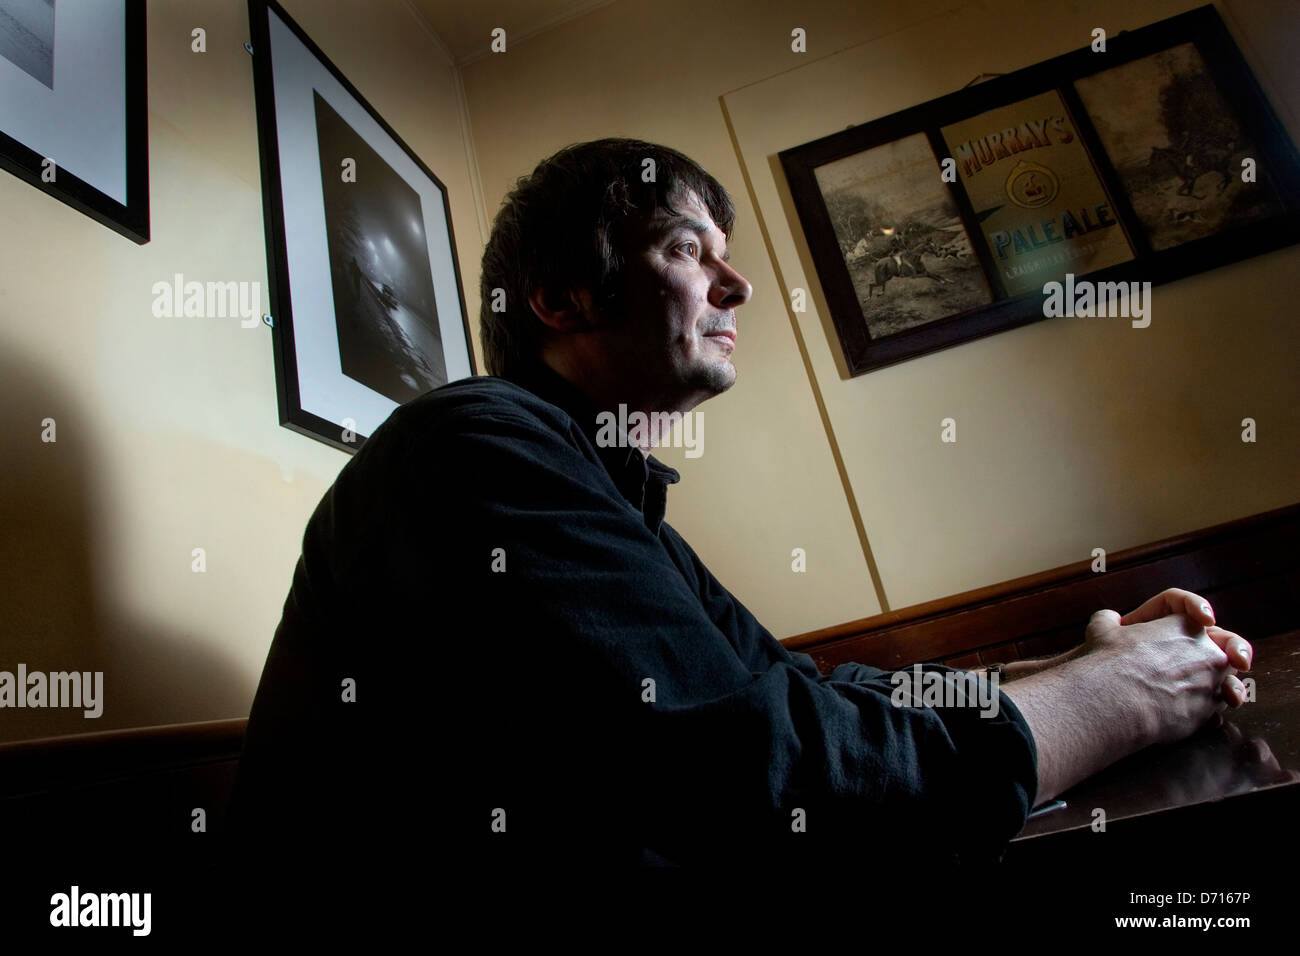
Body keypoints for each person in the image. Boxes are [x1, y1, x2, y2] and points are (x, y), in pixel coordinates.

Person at [227, 138, 1252, 887]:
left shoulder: (607, 493)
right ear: (560, 297)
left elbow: (793, 693)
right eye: (688, 249)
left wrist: (1068, 667)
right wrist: (1116, 699)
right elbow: (767, 773)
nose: (739, 282)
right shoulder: (474, 443)